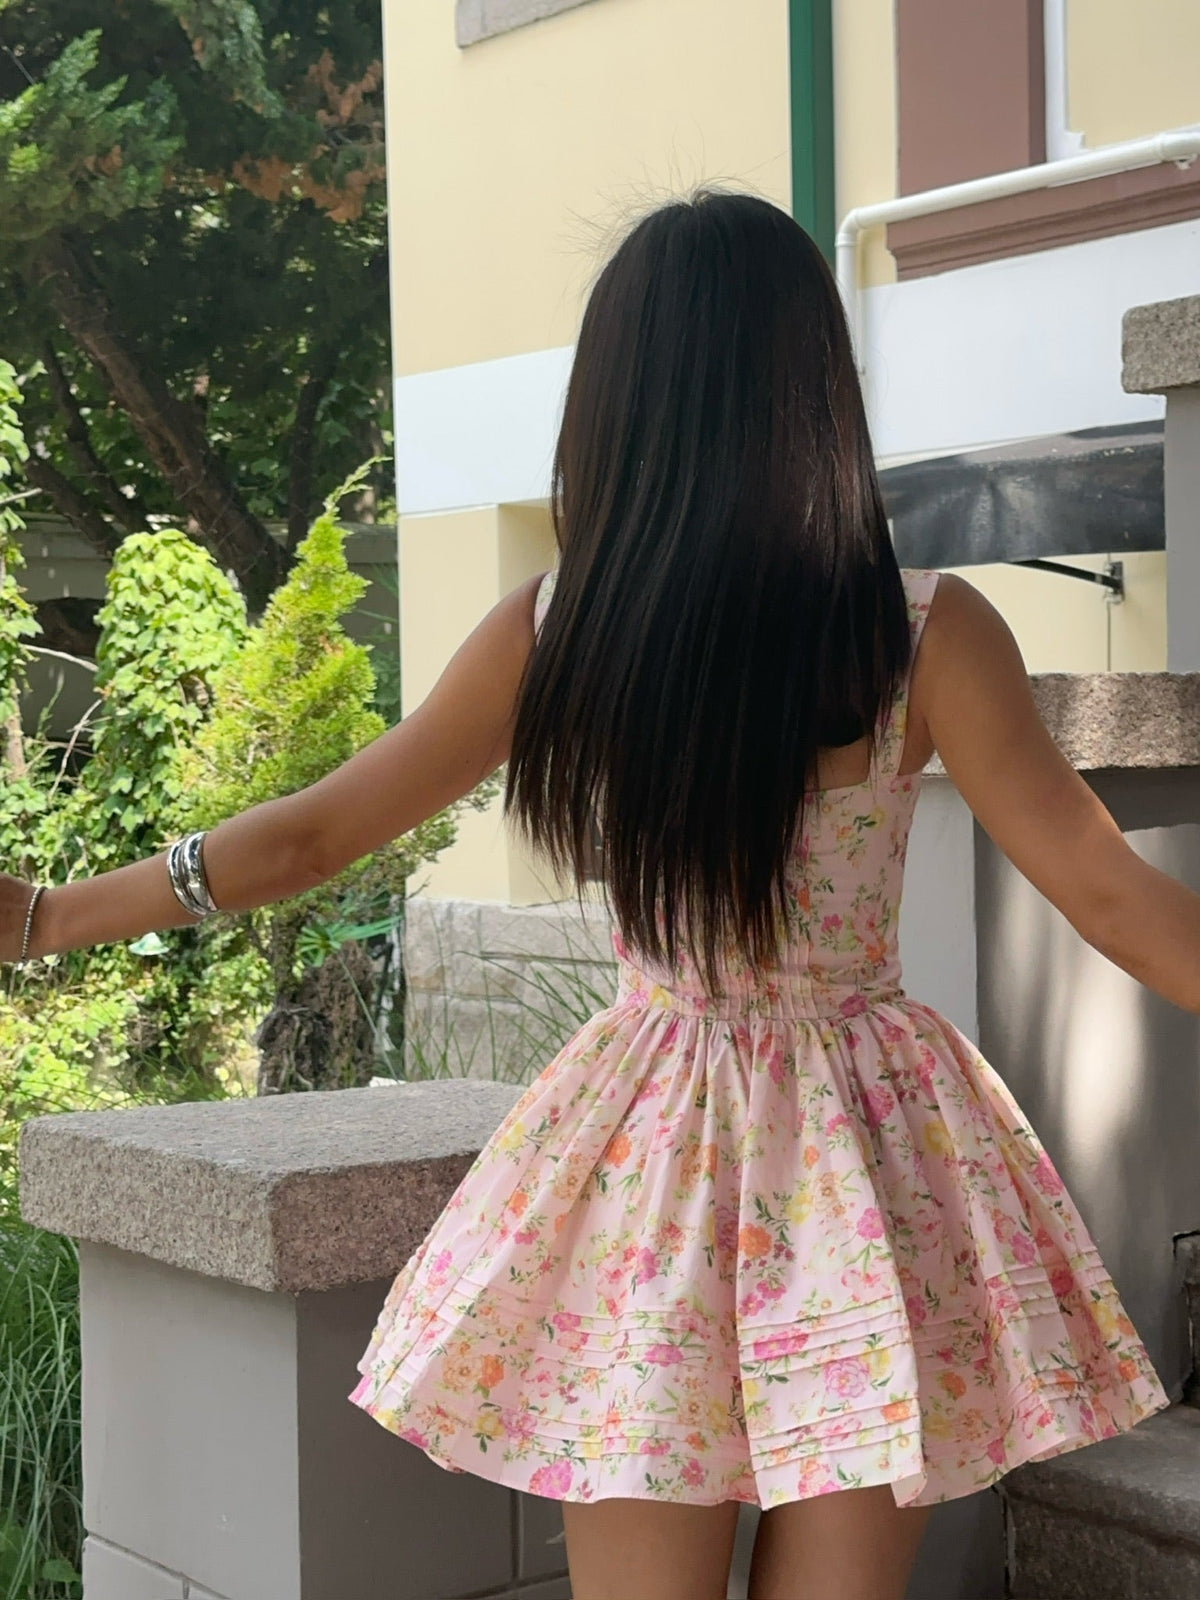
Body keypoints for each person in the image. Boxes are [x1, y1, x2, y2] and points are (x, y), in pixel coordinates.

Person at [0, 189, 1186, 1600]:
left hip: (651, 1153)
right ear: (816, 387)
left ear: (616, 400)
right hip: (870, 1168)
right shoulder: (923, 629)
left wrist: (50, 915)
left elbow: (314, 836)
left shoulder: (560, 632)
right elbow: (1108, 893)